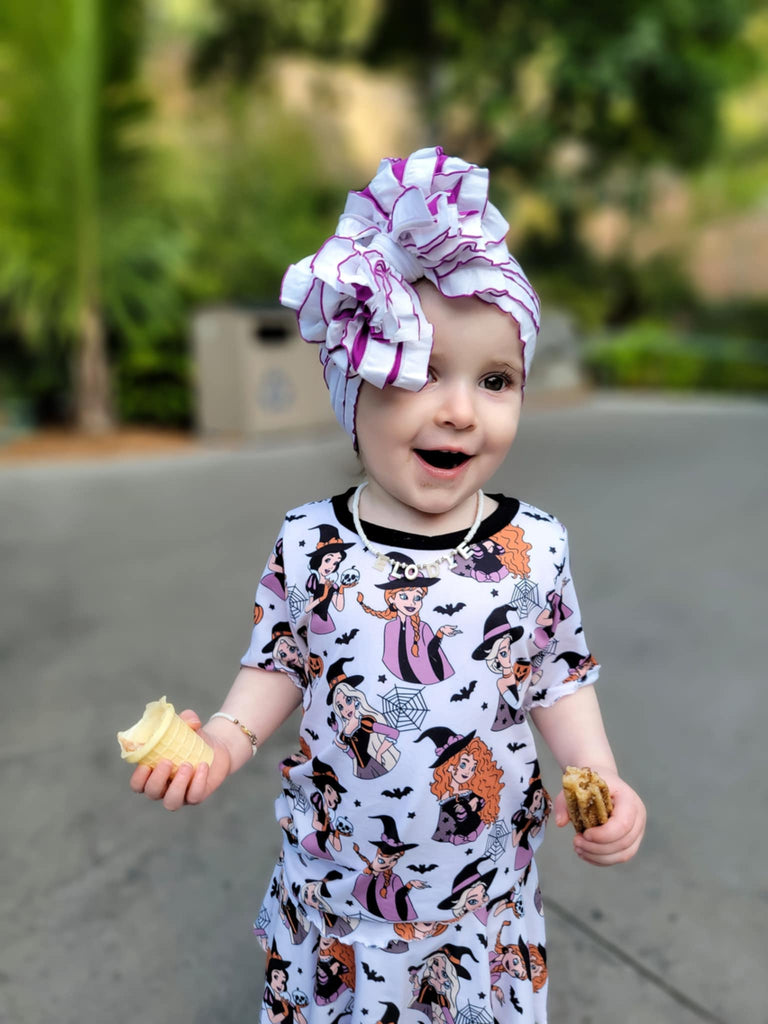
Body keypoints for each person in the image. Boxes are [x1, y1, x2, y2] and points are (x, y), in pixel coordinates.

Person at [128, 146, 646, 1022]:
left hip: (481, 910)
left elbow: (559, 675)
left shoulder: (534, 547)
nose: (460, 410)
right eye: (425, 374)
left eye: (495, 380)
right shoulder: (311, 543)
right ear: (354, 387)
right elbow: (281, 659)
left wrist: (600, 774)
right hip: (340, 905)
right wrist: (220, 740)